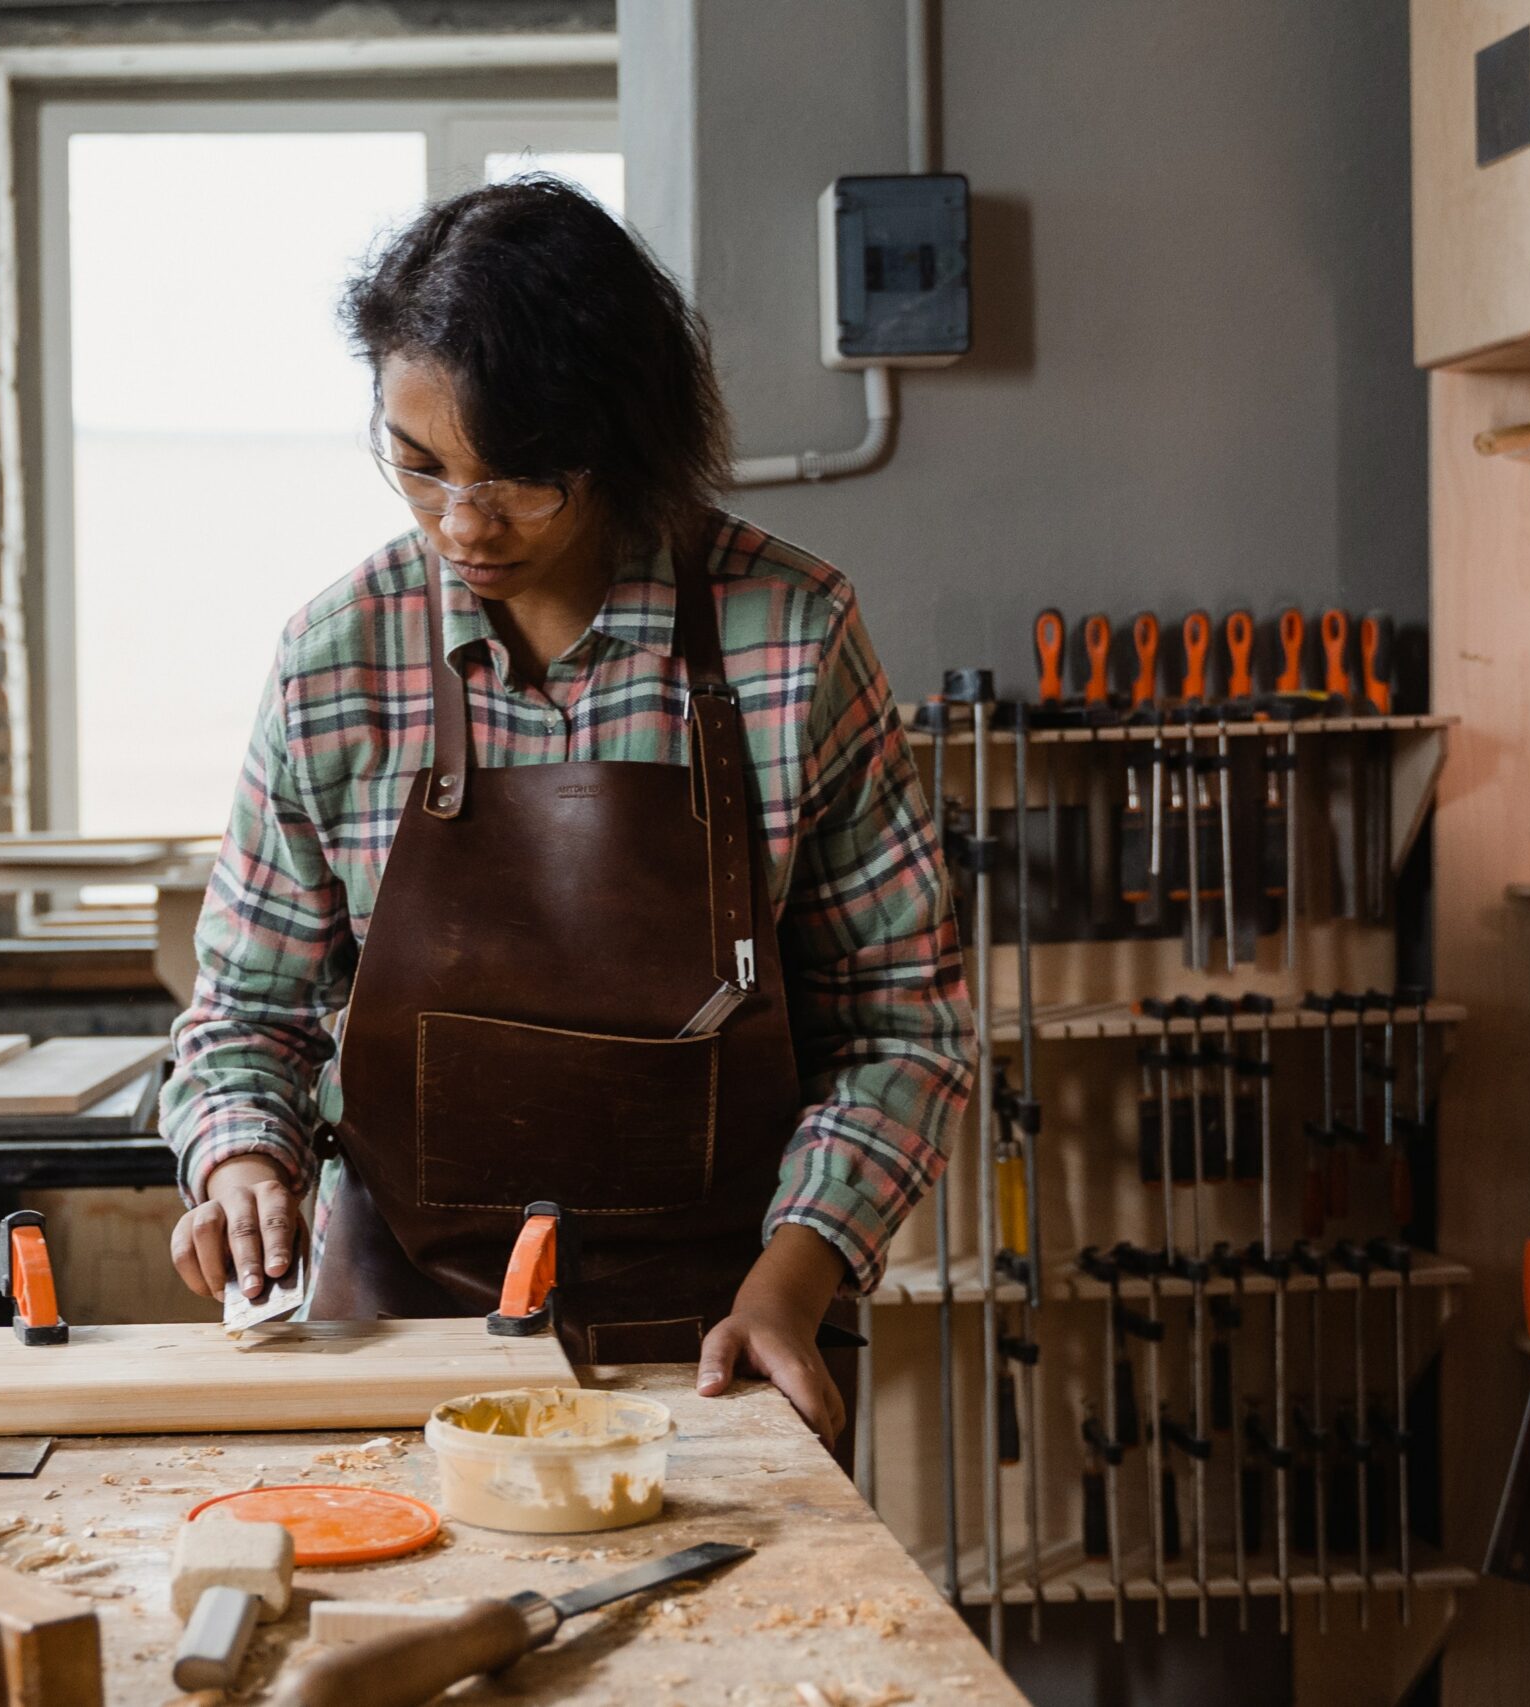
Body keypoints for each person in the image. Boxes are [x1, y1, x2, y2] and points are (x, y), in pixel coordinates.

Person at [160, 177, 973, 1445]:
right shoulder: (336, 658)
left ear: (621, 441)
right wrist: (245, 1160)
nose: (463, 524)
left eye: (522, 479)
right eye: (418, 467)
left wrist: (797, 1276)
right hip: (397, 1336)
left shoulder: (789, 637)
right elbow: (246, 1013)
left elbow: (905, 1024)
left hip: (721, 1335)